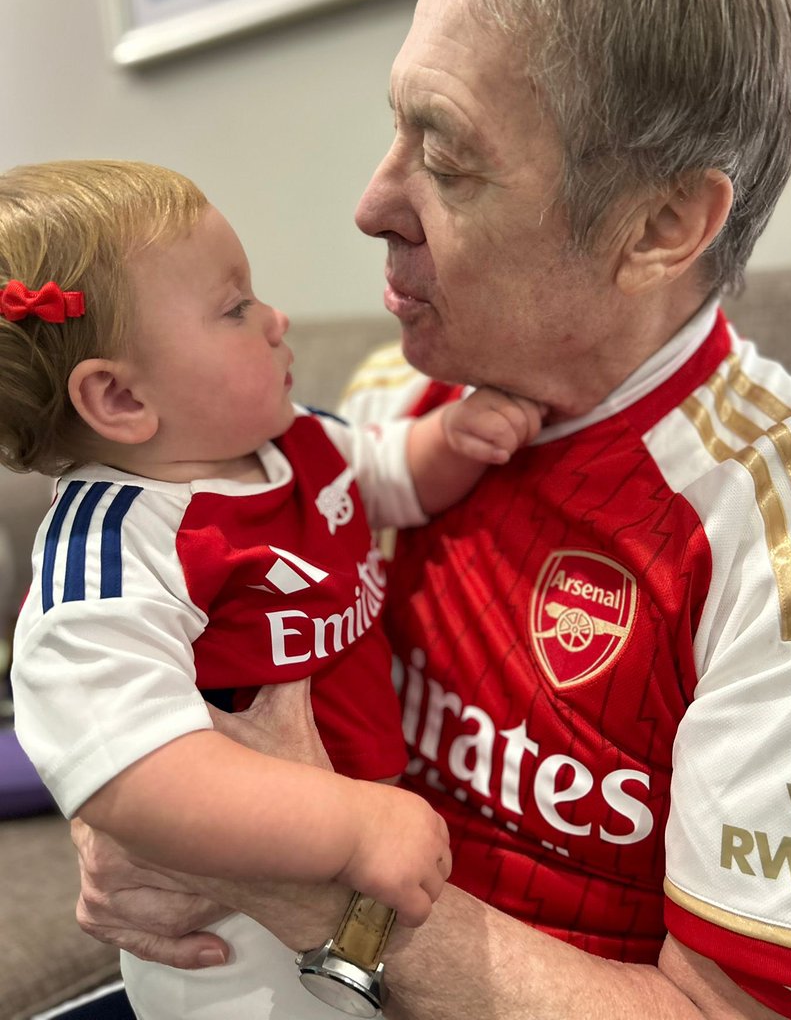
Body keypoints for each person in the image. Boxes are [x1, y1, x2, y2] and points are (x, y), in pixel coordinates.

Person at [71, 0, 791, 1020]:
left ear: (661, 227)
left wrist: (307, 885)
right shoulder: (385, 402)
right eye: (396, 127)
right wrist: (140, 809)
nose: (371, 203)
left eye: (447, 158)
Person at [3, 159, 543, 1019]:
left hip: (378, 853)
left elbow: (390, 475)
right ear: (117, 396)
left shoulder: (293, 439)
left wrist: (452, 436)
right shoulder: (110, 550)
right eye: (235, 307)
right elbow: (136, 774)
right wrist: (353, 825)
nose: (276, 317)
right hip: (234, 945)